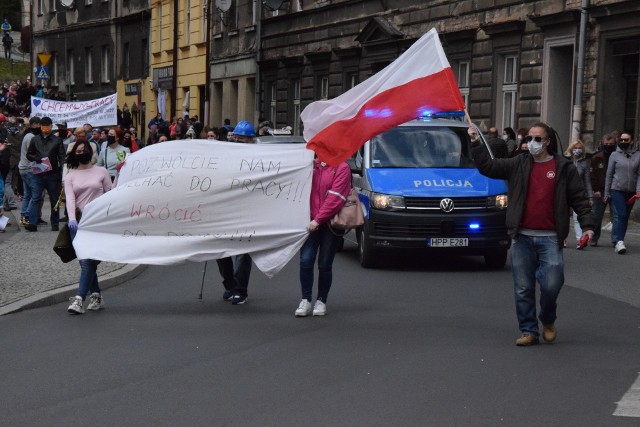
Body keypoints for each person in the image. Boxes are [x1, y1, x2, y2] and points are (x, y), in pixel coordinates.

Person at [470, 122, 594, 346]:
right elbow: (489, 166)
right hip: (522, 237)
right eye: (529, 139)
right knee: (523, 287)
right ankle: (528, 330)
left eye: (537, 139)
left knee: (552, 284)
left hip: (550, 238)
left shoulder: (563, 167)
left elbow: (578, 198)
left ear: (547, 141)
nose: (532, 143)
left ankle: (547, 318)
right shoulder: (518, 163)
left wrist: (588, 225)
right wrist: (476, 142)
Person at [295, 157, 351, 317]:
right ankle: (305, 299)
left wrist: (318, 219)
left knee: (324, 264)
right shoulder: (309, 166)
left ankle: (321, 300)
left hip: (330, 224)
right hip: (309, 222)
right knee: (305, 260)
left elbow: (336, 197)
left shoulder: (342, 167)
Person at [64, 139, 112, 314]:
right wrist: (71, 219)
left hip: (98, 223)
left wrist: (122, 174)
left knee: (89, 262)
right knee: (85, 261)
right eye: (78, 150)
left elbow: (111, 192)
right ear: (74, 153)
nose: (81, 152)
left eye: (84, 150)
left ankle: (79, 299)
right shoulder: (70, 176)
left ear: (91, 152)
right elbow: (70, 198)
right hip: (78, 222)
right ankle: (96, 295)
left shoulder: (101, 171)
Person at [216, 120, 256, 305]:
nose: (240, 142)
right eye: (238, 139)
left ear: (251, 140)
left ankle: (240, 289)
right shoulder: (226, 157)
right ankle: (230, 284)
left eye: (244, 140)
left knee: (242, 252)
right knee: (219, 250)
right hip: (225, 210)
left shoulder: (259, 158)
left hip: (246, 212)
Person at [25, 116, 65, 232]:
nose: (45, 128)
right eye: (43, 125)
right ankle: (32, 223)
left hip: (53, 174)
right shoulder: (35, 140)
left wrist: (64, 173)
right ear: (41, 126)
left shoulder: (57, 140)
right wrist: (35, 158)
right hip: (38, 173)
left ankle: (55, 223)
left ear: (51, 126)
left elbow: (62, 157)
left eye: (47, 125)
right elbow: (29, 154)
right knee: (35, 198)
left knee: (54, 199)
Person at [604, 132, 640, 254]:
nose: (624, 142)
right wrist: (606, 193)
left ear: (632, 141)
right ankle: (619, 241)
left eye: (626, 140)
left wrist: (638, 191)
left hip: (631, 191)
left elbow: (639, 175)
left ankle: (618, 239)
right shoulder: (614, 155)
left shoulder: (638, 155)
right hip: (617, 189)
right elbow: (609, 175)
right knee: (621, 214)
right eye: (622, 140)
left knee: (625, 216)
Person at [565, 139, 593, 248]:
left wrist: (590, 197)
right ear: (571, 149)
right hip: (566, 192)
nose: (577, 150)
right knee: (564, 216)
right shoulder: (565, 161)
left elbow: (587, 181)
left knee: (578, 217)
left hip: (579, 193)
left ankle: (580, 240)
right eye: (575, 148)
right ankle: (563, 239)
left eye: (579, 148)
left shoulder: (584, 163)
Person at [589, 133, 616, 246]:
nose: (608, 145)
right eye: (606, 144)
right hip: (600, 190)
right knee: (596, 215)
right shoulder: (596, 157)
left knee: (617, 216)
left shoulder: (618, 156)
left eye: (611, 144)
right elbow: (592, 175)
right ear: (602, 144)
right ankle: (594, 238)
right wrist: (595, 190)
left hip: (615, 189)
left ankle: (617, 239)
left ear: (615, 144)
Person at [18, 116, 40, 225]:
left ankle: (23, 215)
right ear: (35, 124)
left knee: (27, 194)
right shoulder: (31, 137)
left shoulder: (27, 135)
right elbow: (33, 153)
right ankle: (27, 215)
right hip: (28, 169)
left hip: (23, 168)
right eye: (39, 124)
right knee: (35, 194)